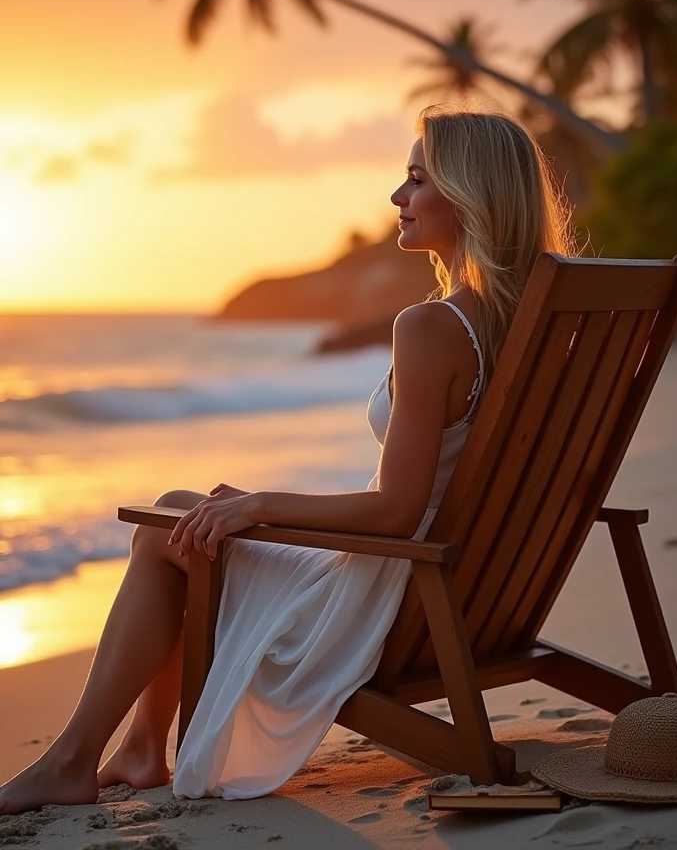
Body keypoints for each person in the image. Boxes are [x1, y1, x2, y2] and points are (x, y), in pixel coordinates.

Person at [0, 106, 577, 814]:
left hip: (390, 602)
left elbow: (397, 511)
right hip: (463, 592)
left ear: (467, 196)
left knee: (166, 527)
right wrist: (249, 506)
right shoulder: (530, 327)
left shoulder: (432, 327)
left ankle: (75, 760)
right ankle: (140, 749)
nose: (398, 198)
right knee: (187, 506)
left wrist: (263, 504)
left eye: (416, 179)